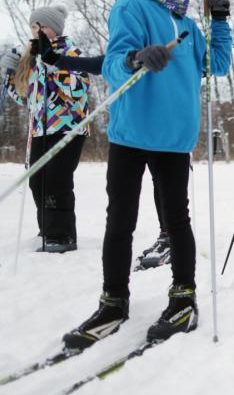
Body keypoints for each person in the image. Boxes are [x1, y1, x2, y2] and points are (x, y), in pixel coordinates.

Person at [63, 0, 232, 349]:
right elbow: (115, 65)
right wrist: (138, 58)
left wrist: (221, 22)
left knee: (177, 219)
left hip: (174, 138)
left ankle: (183, 296)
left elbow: (218, 65)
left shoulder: (191, 25)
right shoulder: (132, 8)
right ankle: (113, 301)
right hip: (133, 133)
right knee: (121, 218)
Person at [33, 48, 174, 269]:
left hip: (165, 123)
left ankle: (170, 236)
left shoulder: (164, 36)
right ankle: (166, 236)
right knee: (126, 193)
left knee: (164, 183)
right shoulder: (126, 47)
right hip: (132, 127)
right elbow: (97, 63)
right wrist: (57, 60)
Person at [0, 6, 90, 253]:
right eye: (33, 26)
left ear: (56, 29)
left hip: (68, 128)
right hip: (39, 130)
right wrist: (9, 78)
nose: (36, 31)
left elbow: (79, 89)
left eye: (42, 26)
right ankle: (47, 230)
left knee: (57, 180)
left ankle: (61, 236)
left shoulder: (70, 52)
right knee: (38, 180)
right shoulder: (32, 57)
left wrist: (52, 64)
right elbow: (26, 99)